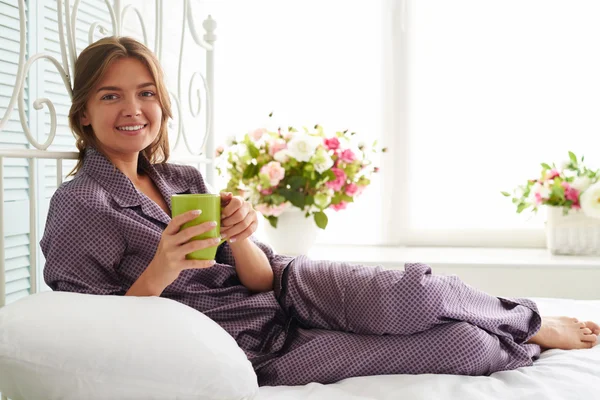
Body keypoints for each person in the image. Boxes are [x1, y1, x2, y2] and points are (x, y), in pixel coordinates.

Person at [40, 36, 599, 387]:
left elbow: (258, 276)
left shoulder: (180, 179)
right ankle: (518, 337)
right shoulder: (79, 205)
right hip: (252, 346)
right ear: (84, 113)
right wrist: (163, 266)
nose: (133, 110)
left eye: (146, 93)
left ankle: (530, 319)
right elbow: (93, 330)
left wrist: (240, 235)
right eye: (110, 96)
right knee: (466, 347)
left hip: (288, 287)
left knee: (418, 293)